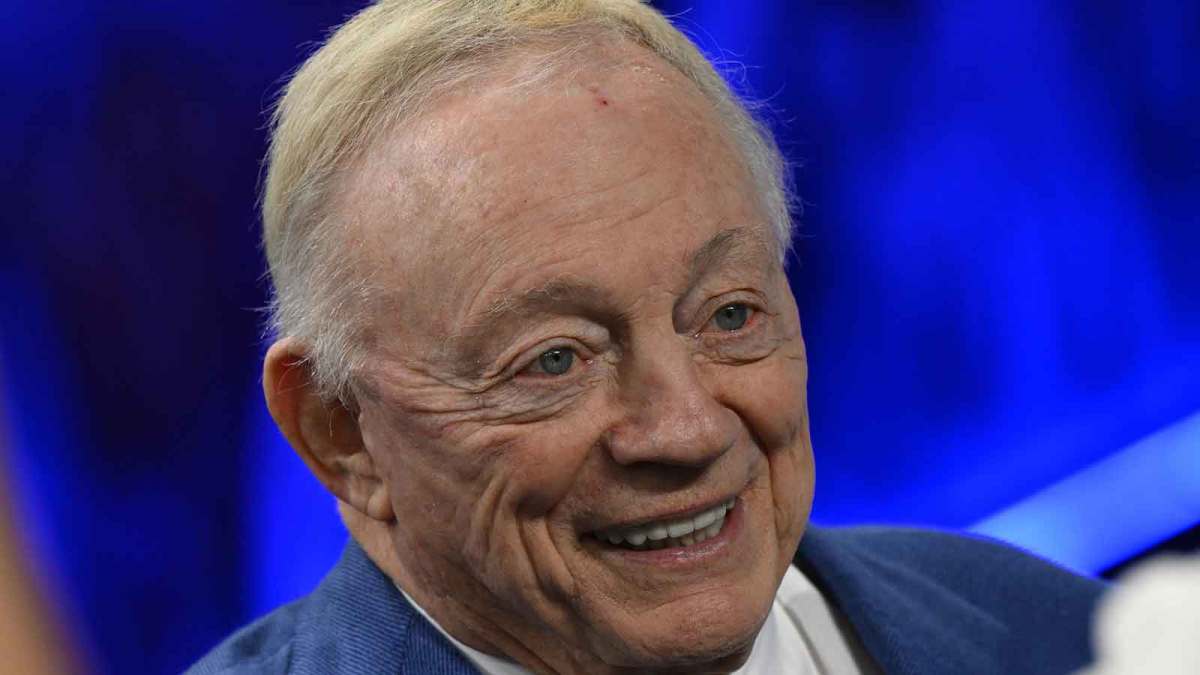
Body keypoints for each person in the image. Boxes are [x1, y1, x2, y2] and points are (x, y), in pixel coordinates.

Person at [190, 1, 1103, 673]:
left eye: (730, 315)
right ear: (340, 431)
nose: (688, 428)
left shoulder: (1056, 635)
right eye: (556, 359)